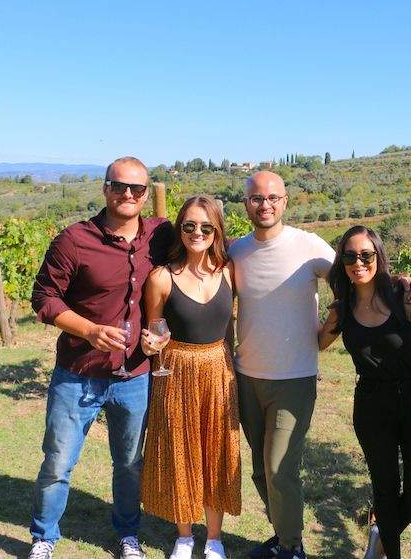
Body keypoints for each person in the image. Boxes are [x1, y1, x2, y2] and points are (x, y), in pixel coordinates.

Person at [230, 171, 411, 559]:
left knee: (280, 469)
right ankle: (285, 534)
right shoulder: (236, 251)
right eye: (256, 198)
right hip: (246, 374)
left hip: (294, 377)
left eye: (272, 197)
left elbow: (359, 272)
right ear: (245, 203)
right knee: (258, 470)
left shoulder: (309, 246)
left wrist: (398, 282)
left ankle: (291, 547)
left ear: (285, 201)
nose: (264, 205)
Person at [28, 156, 172, 559]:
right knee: (58, 462)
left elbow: (200, 255)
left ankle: (127, 534)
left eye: (137, 189)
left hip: (135, 376)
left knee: (129, 464)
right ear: (105, 188)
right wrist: (89, 330)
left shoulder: (160, 236)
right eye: (119, 186)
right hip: (77, 374)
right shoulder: (74, 240)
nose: (128, 194)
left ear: (146, 194)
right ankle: (43, 537)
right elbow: (43, 298)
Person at [317, 226, 411, 559]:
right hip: (372, 405)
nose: (357, 262)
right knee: (385, 489)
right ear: (341, 261)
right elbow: (317, 342)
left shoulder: (403, 295)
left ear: (378, 257)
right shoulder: (342, 310)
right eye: (349, 256)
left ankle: (380, 535)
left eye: (366, 255)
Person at [139, 195, 240, 559]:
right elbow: (153, 333)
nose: (197, 232)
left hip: (218, 369)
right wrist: (151, 346)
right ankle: (184, 536)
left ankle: (214, 539)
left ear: (217, 231)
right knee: (180, 453)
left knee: (217, 453)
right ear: (180, 229)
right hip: (176, 372)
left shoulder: (230, 271)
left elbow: (232, 326)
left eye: (206, 227)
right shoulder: (161, 278)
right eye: (189, 226)